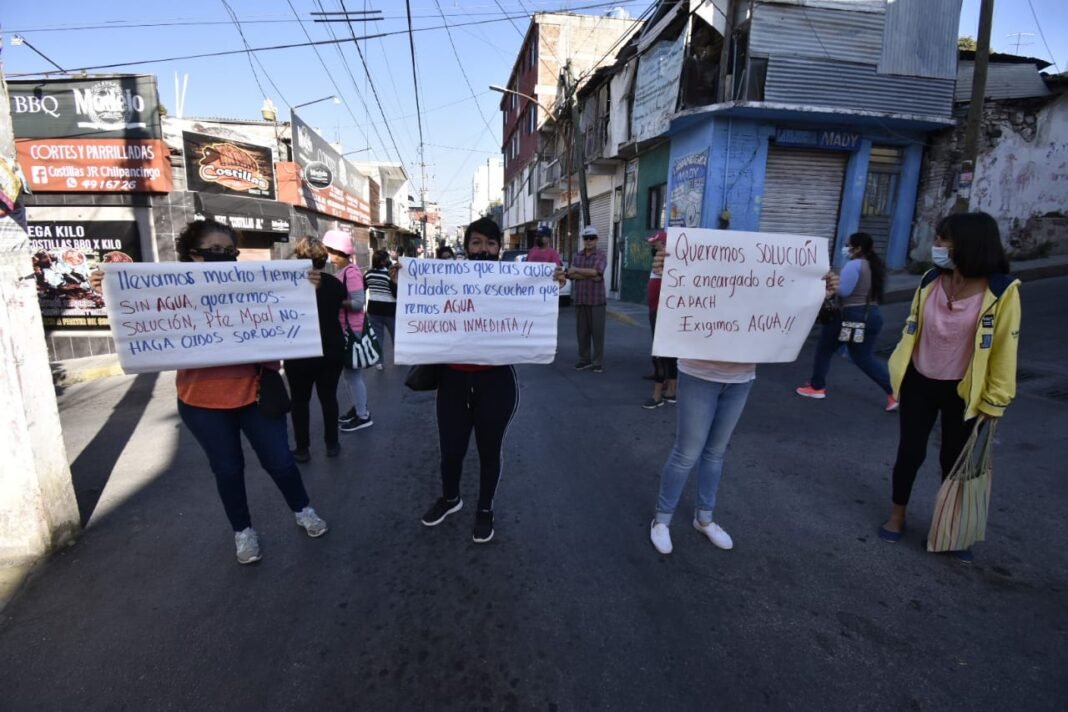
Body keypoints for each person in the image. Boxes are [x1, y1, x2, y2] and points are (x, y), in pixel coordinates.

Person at [90, 220, 328, 565]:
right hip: (201, 400)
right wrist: (108, 288)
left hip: (256, 392)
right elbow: (137, 310)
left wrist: (306, 291)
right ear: (192, 255)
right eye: (214, 251)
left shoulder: (256, 284)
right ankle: (243, 531)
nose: (223, 256)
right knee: (227, 470)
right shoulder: (170, 290)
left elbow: (288, 319)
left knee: (279, 461)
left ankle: (303, 509)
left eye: (229, 251)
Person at [649, 250, 840, 556]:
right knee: (687, 452)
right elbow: (667, 305)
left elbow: (792, 307)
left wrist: (820, 290)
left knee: (715, 453)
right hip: (699, 374)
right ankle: (662, 520)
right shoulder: (701, 281)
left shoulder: (762, 285)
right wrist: (662, 272)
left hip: (741, 379)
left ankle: (705, 518)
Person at [878, 212, 1020, 563]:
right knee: (909, 453)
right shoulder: (930, 279)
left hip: (964, 390)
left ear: (969, 245)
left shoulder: (1002, 291)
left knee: (954, 460)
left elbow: (1005, 349)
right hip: (919, 380)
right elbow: (913, 327)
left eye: (944, 240)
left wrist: (995, 400)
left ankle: (952, 528)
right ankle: (898, 514)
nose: (936, 246)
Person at [417, 217, 565, 543]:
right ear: (466, 247)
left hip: (496, 384)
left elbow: (540, 301)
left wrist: (552, 282)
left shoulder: (514, 281)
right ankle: (451, 498)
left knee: (489, 450)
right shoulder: (446, 279)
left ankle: (485, 508)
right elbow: (419, 303)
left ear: (499, 249)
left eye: (490, 243)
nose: (483, 249)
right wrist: (403, 281)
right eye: (476, 243)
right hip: (453, 382)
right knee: (451, 451)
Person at [796, 232, 898, 412]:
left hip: (849, 317)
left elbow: (843, 291)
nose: (845, 248)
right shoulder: (874, 266)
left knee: (825, 349)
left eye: (848, 245)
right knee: (863, 356)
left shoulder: (854, 265)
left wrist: (830, 283)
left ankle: (816, 387)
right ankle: (893, 392)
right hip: (871, 315)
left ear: (858, 248)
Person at [283, 237, 347, 462]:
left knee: (300, 400)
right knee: (328, 397)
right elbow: (341, 302)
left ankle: (302, 449)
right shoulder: (335, 284)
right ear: (322, 258)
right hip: (332, 349)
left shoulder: (288, 285)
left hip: (299, 350)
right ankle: (332, 444)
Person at [324, 230, 373, 432]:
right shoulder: (344, 271)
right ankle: (359, 408)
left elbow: (358, 302)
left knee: (353, 376)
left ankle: (363, 416)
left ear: (336, 252)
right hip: (346, 330)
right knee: (350, 376)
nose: (327, 254)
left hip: (351, 331)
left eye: (328, 250)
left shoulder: (351, 272)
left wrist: (334, 301)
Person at [568, 225, 607, 373]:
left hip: (597, 301)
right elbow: (571, 275)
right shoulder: (577, 256)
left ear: (596, 240)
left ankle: (597, 362)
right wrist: (591, 274)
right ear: (583, 240)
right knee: (582, 333)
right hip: (580, 300)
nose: (589, 241)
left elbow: (597, 272)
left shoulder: (601, 255)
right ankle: (584, 359)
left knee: (597, 334)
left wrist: (578, 270)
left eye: (591, 238)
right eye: (586, 238)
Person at [644, 230, 677, 408]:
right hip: (655, 310)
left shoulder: (668, 261)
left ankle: (660, 394)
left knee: (662, 352)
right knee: (664, 352)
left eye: (655, 244)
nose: (652, 246)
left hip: (663, 311)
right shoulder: (659, 260)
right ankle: (669, 388)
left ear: (663, 244)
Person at [364, 249, 397, 372]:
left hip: (373, 310)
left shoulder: (368, 274)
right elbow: (395, 293)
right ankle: (398, 358)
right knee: (395, 336)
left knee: (377, 337)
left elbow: (363, 287)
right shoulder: (389, 275)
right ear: (384, 261)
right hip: (390, 310)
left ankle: (379, 362)